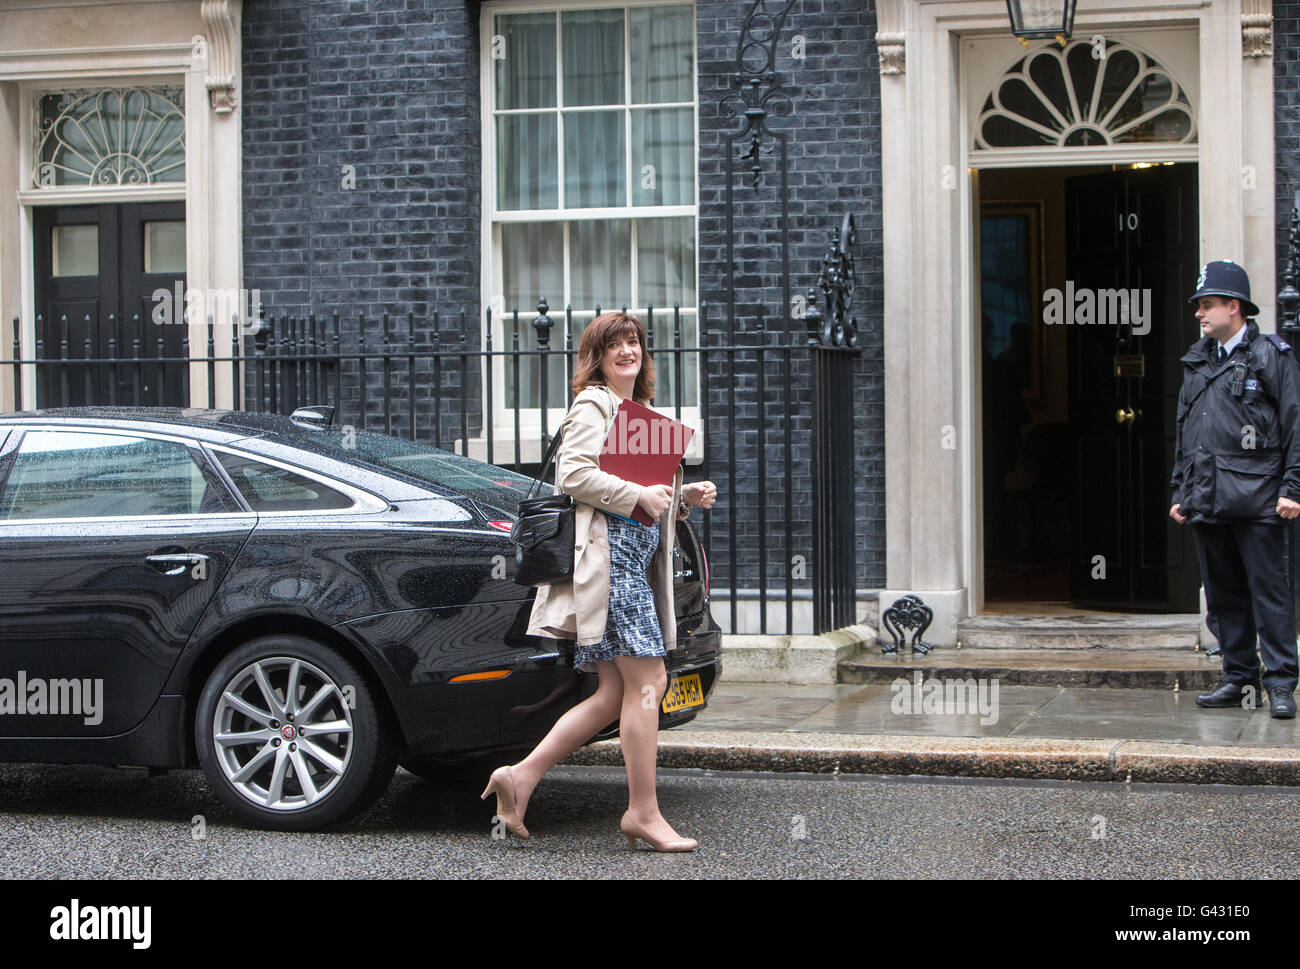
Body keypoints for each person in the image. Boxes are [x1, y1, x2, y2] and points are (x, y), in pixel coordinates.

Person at [480, 310, 718, 849]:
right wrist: (639, 495)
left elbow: (641, 499)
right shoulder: (594, 402)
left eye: (633, 342)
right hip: (612, 571)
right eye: (615, 344)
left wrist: (683, 498)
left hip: (634, 565)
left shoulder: (642, 413)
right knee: (650, 684)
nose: (627, 351)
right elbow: (574, 474)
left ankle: (520, 777)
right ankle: (642, 812)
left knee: (616, 692)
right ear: (598, 357)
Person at [1169, 260, 1300, 718]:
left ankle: (1281, 684)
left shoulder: (1272, 355)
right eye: (1199, 306)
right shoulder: (1197, 359)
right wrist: (1179, 491)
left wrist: (1293, 486)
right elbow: (1186, 430)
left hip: (1260, 497)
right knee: (1223, 596)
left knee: (1270, 594)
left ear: (1234, 307)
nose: (1200, 314)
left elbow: (1294, 424)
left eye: (1208, 305)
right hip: (1206, 497)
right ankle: (1238, 677)